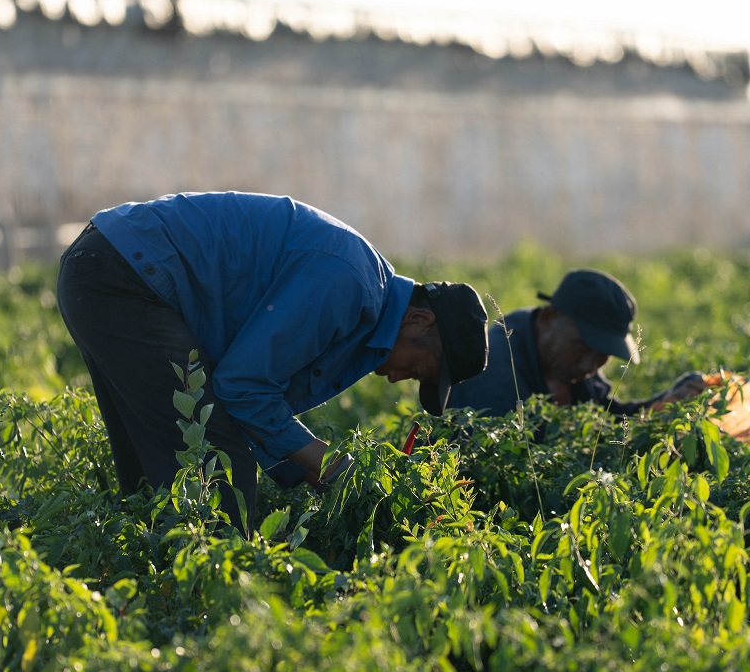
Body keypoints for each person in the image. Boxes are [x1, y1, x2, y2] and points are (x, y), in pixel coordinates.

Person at [56, 191, 488, 525]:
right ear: (418, 320)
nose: (398, 379)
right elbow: (242, 387)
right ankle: (211, 621)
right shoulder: (349, 285)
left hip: (109, 267)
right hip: (123, 276)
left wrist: (307, 469)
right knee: (215, 468)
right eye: (416, 369)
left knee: (159, 475)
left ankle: (147, 601)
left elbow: (244, 398)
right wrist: (334, 466)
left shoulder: (363, 294)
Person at [446, 268, 706, 417]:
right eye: (583, 347)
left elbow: (607, 419)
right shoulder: (494, 374)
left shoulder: (569, 363)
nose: (591, 365)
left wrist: (670, 401)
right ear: (549, 319)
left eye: (602, 354)